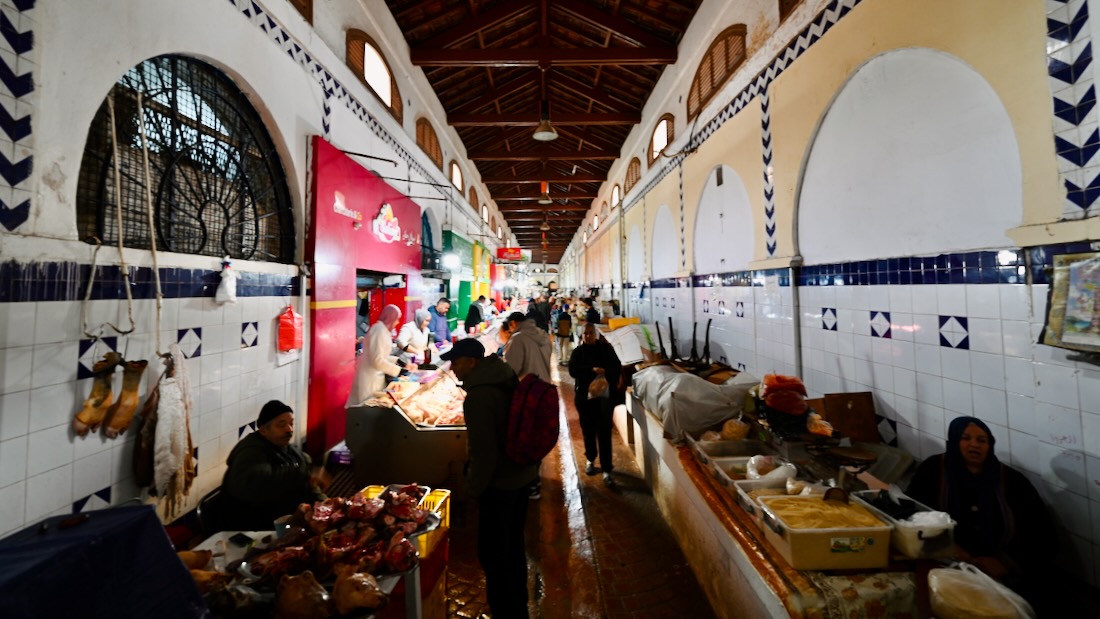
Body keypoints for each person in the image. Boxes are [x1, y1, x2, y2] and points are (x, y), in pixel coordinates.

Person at [906, 416, 1054, 614]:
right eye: (966, 438)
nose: (974, 444)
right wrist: (945, 545)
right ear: (954, 441)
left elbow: (1043, 534)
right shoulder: (934, 470)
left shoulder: (1011, 481)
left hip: (1002, 574)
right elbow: (911, 513)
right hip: (941, 566)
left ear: (990, 445)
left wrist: (1004, 562)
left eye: (982, 440)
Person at [441, 339, 536, 619]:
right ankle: (519, 607)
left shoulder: (479, 396)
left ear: (471, 362)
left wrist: (473, 489)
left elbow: (484, 452)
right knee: (513, 548)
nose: (453, 369)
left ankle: (506, 612)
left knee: (495, 556)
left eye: (456, 363)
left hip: (500, 486)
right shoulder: (503, 375)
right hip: (520, 477)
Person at [218, 400, 327, 531]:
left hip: (289, 520)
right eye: (281, 425)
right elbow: (265, 483)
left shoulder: (289, 450)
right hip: (256, 527)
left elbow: (309, 485)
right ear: (263, 430)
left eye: (291, 424)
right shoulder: (250, 453)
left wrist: (326, 505)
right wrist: (306, 472)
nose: (289, 429)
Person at [503, 311, 553, 500]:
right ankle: (535, 480)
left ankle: (530, 484)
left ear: (514, 323)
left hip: (528, 395)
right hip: (545, 392)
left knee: (525, 439)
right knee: (537, 438)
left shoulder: (518, 339)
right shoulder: (543, 336)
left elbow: (511, 371)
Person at [568, 323, 622, 486]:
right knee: (588, 430)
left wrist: (606, 374)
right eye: (585, 333)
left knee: (604, 432)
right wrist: (592, 370)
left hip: (603, 399)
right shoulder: (578, 352)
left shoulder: (606, 350)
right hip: (584, 398)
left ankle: (607, 469)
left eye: (591, 333)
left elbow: (616, 367)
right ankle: (590, 459)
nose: (588, 336)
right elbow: (572, 371)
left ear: (596, 334)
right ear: (581, 335)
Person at [347, 304, 412, 406]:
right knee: (365, 406)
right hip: (369, 376)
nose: (397, 322)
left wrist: (397, 361)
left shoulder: (382, 330)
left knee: (371, 404)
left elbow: (381, 356)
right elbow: (377, 360)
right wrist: (399, 371)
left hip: (375, 374)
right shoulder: (378, 331)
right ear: (390, 318)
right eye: (396, 319)